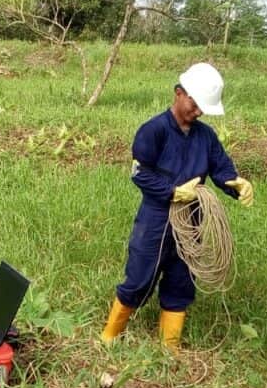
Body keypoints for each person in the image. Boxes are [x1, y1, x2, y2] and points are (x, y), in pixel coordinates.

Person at [100, 62, 254, 351]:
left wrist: (235, 183)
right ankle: (108, 337)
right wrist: (171, 192)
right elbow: (140, 173)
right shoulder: (153, 130)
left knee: (181, 282)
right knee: (140, 278)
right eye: (195, 104)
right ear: (179, 93)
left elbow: (220, 168)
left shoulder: (205, 137)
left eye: (203, 108)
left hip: (191, 221)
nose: (198, 112)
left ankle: (169, 348)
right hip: (156, 219)